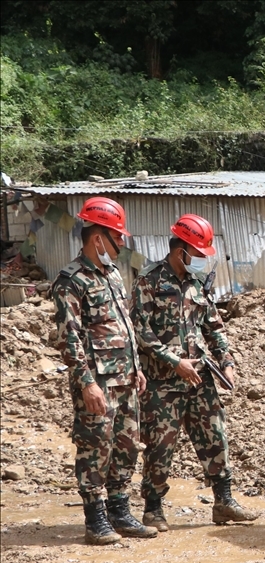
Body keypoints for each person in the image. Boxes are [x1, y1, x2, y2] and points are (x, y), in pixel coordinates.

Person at [131, 214, 257, 531]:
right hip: (163, 382)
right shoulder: (149, 282)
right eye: (198, 254)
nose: (202, 261)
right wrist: (175, 361)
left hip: (200, 377)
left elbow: (213, 326)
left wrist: (226, 359)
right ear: (181, 250)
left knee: (215, 437)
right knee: (161, 445)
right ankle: (154, 509)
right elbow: (140, 333)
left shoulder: (197, 283)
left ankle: (224, 502)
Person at [50, 197, 154, 544]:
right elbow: (70, 337)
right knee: (95, 446)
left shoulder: (112, 275)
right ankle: (96, 519)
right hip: (97, 382)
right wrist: (86, 384)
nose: (122, 244)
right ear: (98, 238)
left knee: (126, 444)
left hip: (125, 379)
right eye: (118, 238)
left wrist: (137, 367)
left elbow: (124, 326)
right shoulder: (71, 280)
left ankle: (120, 510)